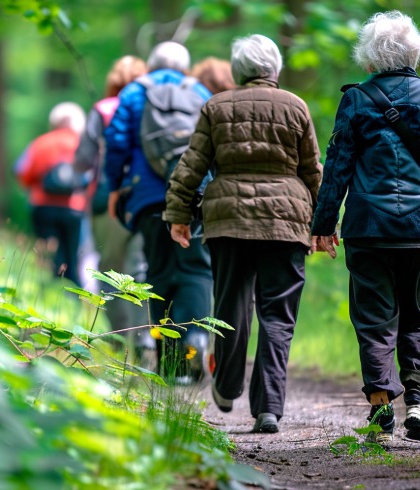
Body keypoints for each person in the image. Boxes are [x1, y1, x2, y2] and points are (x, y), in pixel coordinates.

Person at [311, 11, 420, 443]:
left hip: (369, 227)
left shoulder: (358, 100)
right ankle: (416, 401)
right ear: (414, 51)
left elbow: (338, 166)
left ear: (370, 57)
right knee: (418, 316)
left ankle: (381, 405)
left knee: (374, 319)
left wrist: (323, 223)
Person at [165, 34, 322, 433]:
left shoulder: (216, 106)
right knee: (278, 315)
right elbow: (312, 171)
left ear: (238, 71)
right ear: (274, 70)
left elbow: (192, 164)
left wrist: (179, 213)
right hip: (286, 221)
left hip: (228, 219)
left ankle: (228, 384)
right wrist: (323, 224)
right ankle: (268, 407)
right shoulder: (296, 106)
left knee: (231, 303)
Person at [103, 42, 214, 382]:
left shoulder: (135, 92)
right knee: (196, 268)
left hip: (148, 195)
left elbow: (117, 142)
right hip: (194, 192)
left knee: (158, 272)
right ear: (185, 66)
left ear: (150, 65)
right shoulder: (198, 90)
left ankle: (170, 363)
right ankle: (195, 342)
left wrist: (115, 185)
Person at [73, 56, 151, 340]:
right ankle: (144, 336)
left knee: (110, 270)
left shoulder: (104, 110)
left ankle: (120, 338)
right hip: (149, 196)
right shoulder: (152, 108)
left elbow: (82, 160)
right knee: (141, 268)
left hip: (108, 199)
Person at [16, 102, 87, 286]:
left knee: (47, 257)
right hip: (74, 209)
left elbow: (23, 173)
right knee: (73, 257)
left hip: (43, 207)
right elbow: (93, 178)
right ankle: (72, 298)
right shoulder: (81, 145)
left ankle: (48, 293)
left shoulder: (41, 143)